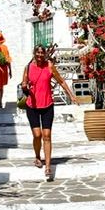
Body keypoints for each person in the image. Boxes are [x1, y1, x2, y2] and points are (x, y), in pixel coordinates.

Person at [21, 44, 78, 180]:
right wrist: (25, 86)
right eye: (38, 53)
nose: (40, 55)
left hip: (47, 105)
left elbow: (61, 81)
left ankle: (48, 167)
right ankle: (37, 156)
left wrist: (71, 95)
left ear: (45, 54)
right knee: (37, 135)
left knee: (47, 135)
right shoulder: (28, 67)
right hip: (32, 106)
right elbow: (23, 83)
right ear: (34, 53)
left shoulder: (50, 66)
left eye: (42, 53)